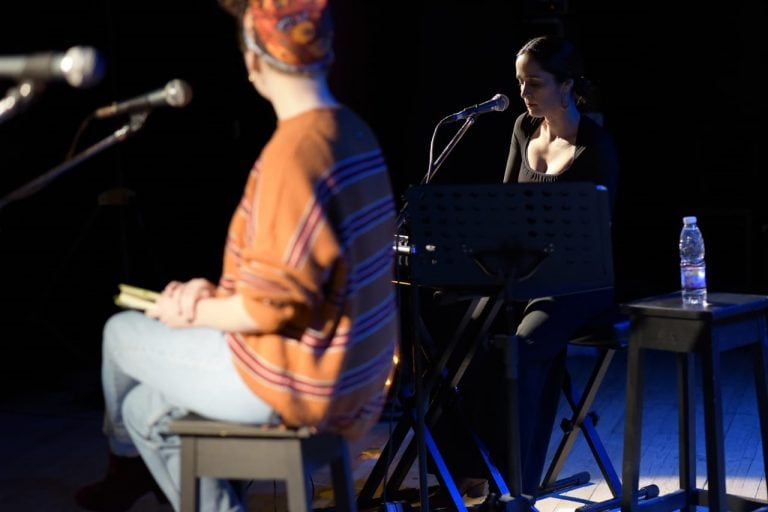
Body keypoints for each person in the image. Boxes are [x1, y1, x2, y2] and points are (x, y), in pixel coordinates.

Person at [75, 1, 399, 511]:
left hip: (300, 384)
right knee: (143, 410)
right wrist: (215, 293)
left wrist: (189, 311)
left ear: (253, 60)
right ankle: (143, 468)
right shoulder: (353, 131)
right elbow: (306, 273)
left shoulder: (294, 154)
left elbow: (272, 307)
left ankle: (123, 465)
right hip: (353, 378)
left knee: (120, 333)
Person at [432, 34, 620, 504]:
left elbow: (592, 237)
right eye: (520, 82)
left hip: (577, 286)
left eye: (535, 83)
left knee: (519, 349)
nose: (524, 93)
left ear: (567, 85)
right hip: (519, 280)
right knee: (465, 337)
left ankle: (516, 486)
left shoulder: (596, 146)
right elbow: (504, 211)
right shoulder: (521, 129)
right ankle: (466, 474)